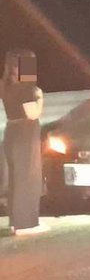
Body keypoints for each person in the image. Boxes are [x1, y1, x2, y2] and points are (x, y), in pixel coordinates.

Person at [1, 49, 47, 235]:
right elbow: (32, 113)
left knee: (16, 179)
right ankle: (27, 224)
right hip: (25, 135)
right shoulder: (27, 87)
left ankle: (16, 222)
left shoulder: (6, 85)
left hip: (12, 132)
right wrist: (40, 96)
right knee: (28, 178)